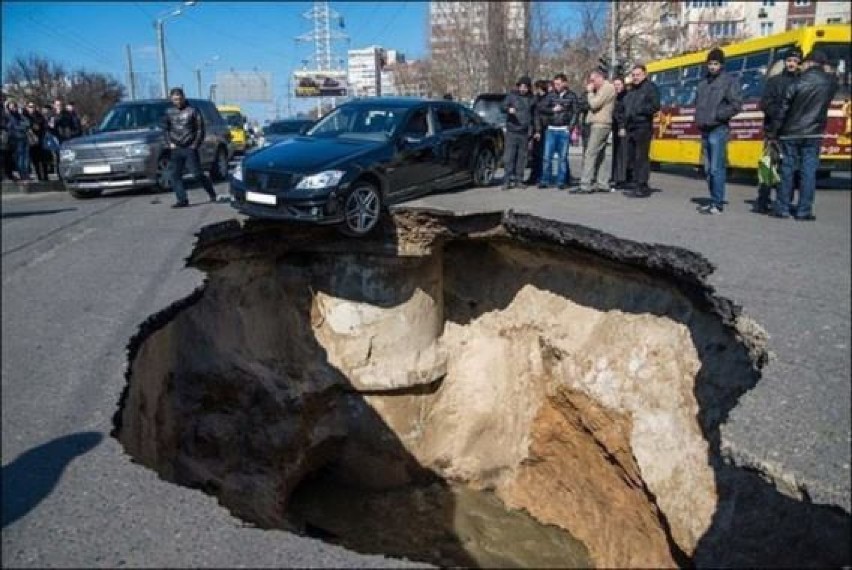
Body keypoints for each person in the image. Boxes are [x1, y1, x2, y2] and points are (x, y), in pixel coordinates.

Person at [772, 50, 837, 221]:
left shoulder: (796, 82)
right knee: (808, 172)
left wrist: (775, 132)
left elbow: (783, 109)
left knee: (787, 169)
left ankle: (782, 207)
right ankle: (803, 211)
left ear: (808, 63)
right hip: (814, 133)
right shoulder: (829, 83)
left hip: (790, 133)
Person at [694, 48, 743, 214]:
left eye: (715, 64)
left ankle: (717, 203)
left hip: (718, 128)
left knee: (716, 168)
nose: (712, 67)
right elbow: (698, 105)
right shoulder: (703, 83)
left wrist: (718, 115)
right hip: (705, 129)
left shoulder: (729, 81)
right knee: (707, 169)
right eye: (710, 64)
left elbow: (736, 104)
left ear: (721, 65)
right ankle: (713, 200)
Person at [756, 47, 802, 214]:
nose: (792, 64)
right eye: (789, 61)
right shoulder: (774, 81)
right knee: (767, 167)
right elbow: (764, 103)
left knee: (788, 169)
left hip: (791, 131)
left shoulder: (801, 82)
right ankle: (763, 199)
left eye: (795, 62)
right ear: (785, 62)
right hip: (772, 130)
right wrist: (779, 114)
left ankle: (784, 201)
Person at [163, 87, 218, 208]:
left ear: (183, 97)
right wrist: (169, 143)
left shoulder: (193, 110)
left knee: (197, 174)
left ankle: (212, 193)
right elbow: (166, 129)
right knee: (175, 175)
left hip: (190, 147)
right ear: (171, 99)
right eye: (175, 99)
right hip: (176, 147)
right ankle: (182, 200)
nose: (177, 101)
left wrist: (194, 145)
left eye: (179, 98)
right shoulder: (169, 112)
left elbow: (200, 129)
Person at [622, 64, 660, 197]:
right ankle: (635, 182)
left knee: (641, 157)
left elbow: (655, 106)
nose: (635, 77)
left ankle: (642, 186)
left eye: (638, 75)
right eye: (633, 75)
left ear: (644, 74)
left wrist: (640, 111)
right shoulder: (631, 90)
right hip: (631, 127)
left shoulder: (650, 88)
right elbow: (626, 106)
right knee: (631, 157)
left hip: (643, 126)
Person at [575, 69, 616, 194]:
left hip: (601, 124)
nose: (591, 83)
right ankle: (602, 183)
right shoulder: (602, 89)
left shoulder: (607, 88)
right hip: (598, 123)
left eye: (593, 80)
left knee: (590, 153)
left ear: (600, 78)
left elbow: (594, 104)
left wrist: (590, 92)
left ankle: (585, 184)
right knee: (600, 155)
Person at [538, 73, 579, 190]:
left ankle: (561, 181)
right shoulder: (550, 96)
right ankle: (545, 180)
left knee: (562, 158)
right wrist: (552, 109)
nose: (556, 86)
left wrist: (570, 127)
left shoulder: (572, 96)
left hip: (564, 130)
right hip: (551, 129)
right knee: (547, 157)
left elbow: (576, 112)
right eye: (555, 84)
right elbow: (541, 107)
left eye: (559, 83)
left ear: (565, 83)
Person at [501, 76, 534, 190]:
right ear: (518, 86)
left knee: (522, 157)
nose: (523, 89)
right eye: (522, 86)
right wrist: (508, 109)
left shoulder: (531, 99)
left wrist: (535, 130)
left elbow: (535, 115)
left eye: (526, 87)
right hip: (512, 131)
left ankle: (519, 180)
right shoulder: (511, 96)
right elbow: (502, 107)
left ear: (529, 88)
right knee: (509, 157)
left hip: (524, 132)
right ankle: (507, 180)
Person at [526, 79, 549, 186]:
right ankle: (534, 176)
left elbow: (542, 111)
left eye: (538, 88)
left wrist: (538, 129)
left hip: (545, 128)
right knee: (536, 154)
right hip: (537, 128)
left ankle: (542, 176)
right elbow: (532, 110)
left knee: (543, 154)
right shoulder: (536, 98)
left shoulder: (548, 98)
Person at [609, 76, 629, 191]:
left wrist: (622, 126)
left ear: (623, 85)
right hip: (615, 128)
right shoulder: (614, 97)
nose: (617, 87)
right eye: (615, 85)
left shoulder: (625, 97)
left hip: (623, 128)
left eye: (619, 84)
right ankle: (615, 177)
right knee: (616, 153)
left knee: (622, 154)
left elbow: (624, 113)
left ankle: (622, 179)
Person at [4, 100, 32, 180]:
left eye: (14, 106)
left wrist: (20, 126)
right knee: (19, 158)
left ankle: (26, 173)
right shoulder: (8, 116)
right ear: (9, 108)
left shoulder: (20, 115)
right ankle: (22, 174)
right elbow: (10, 127)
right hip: (16, 140)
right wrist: (21, 127)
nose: (13, 108)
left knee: (26, 157)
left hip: (24, 138)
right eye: (11, 107)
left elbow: (28, 123)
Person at [23, 102, 49, 181]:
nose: (32, 108)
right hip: (30, 140)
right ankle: (38, 176)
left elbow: (44, 126)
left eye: (33, 106)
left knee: (43, 159)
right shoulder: (25, 116)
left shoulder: (39, 116)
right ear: (27, 108)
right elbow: (25, 126)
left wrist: (40, 130)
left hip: (40, 139)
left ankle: (45, 176)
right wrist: (32, 127)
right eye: (30, 106)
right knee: (35, 160)